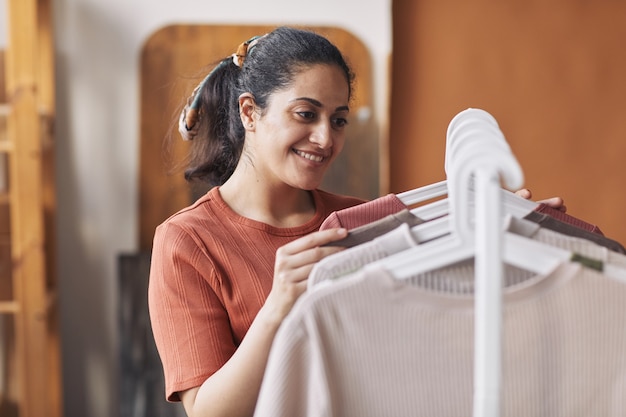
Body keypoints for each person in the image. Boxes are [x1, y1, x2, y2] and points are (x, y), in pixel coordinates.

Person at [147, 26, 565, 417]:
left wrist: (505, 229)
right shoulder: (187, 241)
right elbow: (206, 410)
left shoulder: (363, 222)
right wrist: (278, 307)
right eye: (306, 114)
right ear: (250, 113)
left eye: (339, 119)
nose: (326, 138)